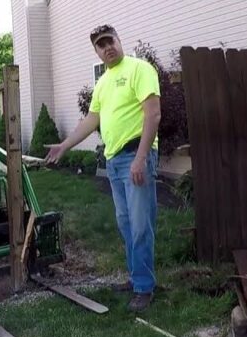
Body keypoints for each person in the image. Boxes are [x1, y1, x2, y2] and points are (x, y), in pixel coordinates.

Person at [45, 25, 162, 312]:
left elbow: (153, 114)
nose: (107, 47)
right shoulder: (103, 82)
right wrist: (64, 145)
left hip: (136, 156)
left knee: (140, 225)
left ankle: (145, 287)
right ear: (96, 51)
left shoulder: (139, 69)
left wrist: (140, 158)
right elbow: (91, 119)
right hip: (114, 162)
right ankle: (137, 279)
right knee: (126, 224)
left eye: (110, 41)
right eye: (100, 45)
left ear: (119, 41)